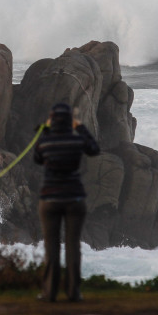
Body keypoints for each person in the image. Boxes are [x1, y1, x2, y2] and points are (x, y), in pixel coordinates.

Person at [34, 103, 100, 302]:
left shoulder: (46, 140)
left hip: (50, 199)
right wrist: (79, 126)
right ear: (70, 119)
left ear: (53, 119)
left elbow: (37, 158)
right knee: (73, 246)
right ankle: (73, 292)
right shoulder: (76, 138)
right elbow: (94, 149)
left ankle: (49, 293)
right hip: (74, 199)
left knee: (51, 247)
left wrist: (45, 129)